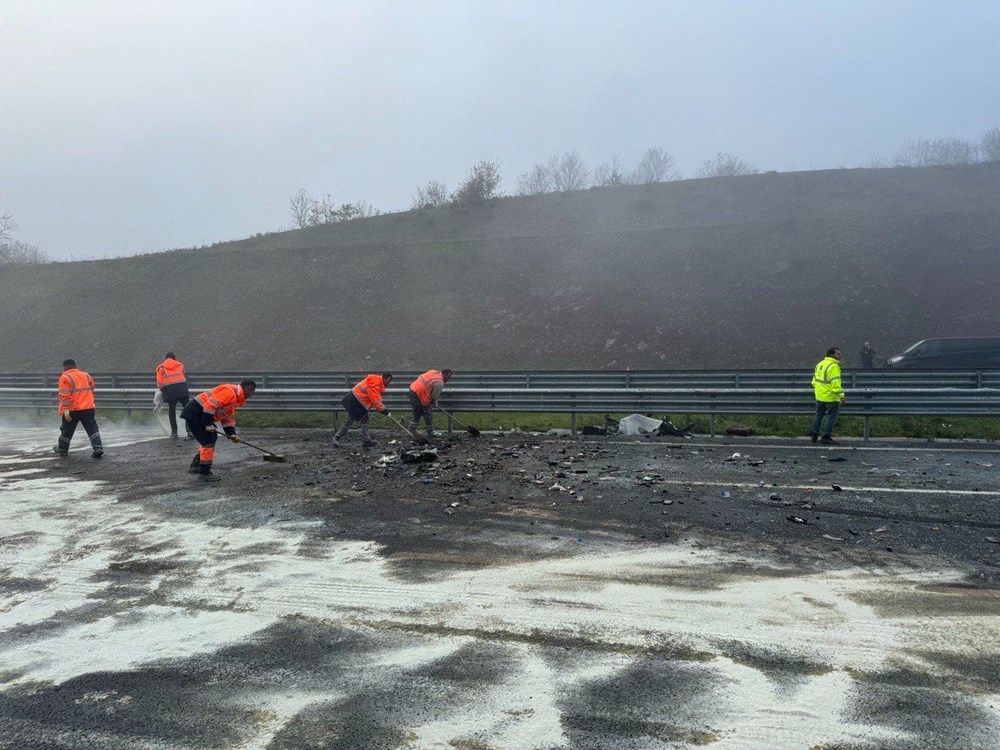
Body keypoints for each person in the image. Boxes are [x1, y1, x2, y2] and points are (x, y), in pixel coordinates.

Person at [181, 380, 256, 481]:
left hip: (200, 413)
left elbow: (227, 419)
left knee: (210, 438)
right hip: (195, 412)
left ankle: (196, 466)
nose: (252, 395)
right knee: (208, 441)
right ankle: (204, 473)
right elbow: (209, 406)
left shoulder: (235, 399)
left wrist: (232, 434)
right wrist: (208, 424)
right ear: (248, 389)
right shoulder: (230, 393)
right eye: (252, 392)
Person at [54, 359, 104, 458]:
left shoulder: (65, 377)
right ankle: (98, 447)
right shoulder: (85, 375)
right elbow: (92, 386)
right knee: (92, 428)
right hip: (88, 408)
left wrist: (66, 410)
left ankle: (62, 449)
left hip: (73, 410)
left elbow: (65, 396)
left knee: (67, 430)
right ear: (75, 365)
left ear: (64, 367)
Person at [332, 373, 392, 447]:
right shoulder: (375, 384)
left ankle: (366, 440)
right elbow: (376, 401)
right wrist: (385, 411)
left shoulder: (376, 381)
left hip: (355, 401)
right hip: (355, 402)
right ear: (384, 378)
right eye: (388, 381)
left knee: (364, 420)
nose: (388, 384)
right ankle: (337, 437)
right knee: (350, 420)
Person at [810, 347, 845, 444]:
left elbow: (814, 382)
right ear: (832, 355)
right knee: (831, 417)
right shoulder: (834, 366)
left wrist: (821, 390)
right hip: (831, 398)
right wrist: (841, 396)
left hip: (819, 397)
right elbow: (835, 385)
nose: (840, 356)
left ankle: (814, 435)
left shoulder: (819, 364)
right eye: (838, 354)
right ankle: (825, 436)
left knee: (818, 415)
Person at [155, 352, 191, 438]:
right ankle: (190, 432)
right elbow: (183, 376)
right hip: (182, 389)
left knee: (172, 410)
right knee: (187, 409)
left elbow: (160, 383)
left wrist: (163, 391)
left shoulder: (161, 368)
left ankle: (174, 433)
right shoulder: (180, 365)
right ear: (174, 358)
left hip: (170, 391)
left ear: (166, 358)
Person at [408, 368, 452, 437]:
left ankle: (412, 429)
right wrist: (435, 403)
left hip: (412, 389)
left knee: (418, 411)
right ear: (444, 375)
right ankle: (429, 431)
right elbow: (434, 396)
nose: (448, 379)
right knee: (427, 412)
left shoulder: (433, 372)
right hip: (419, 394)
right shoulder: (439, 383)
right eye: (448, 377)